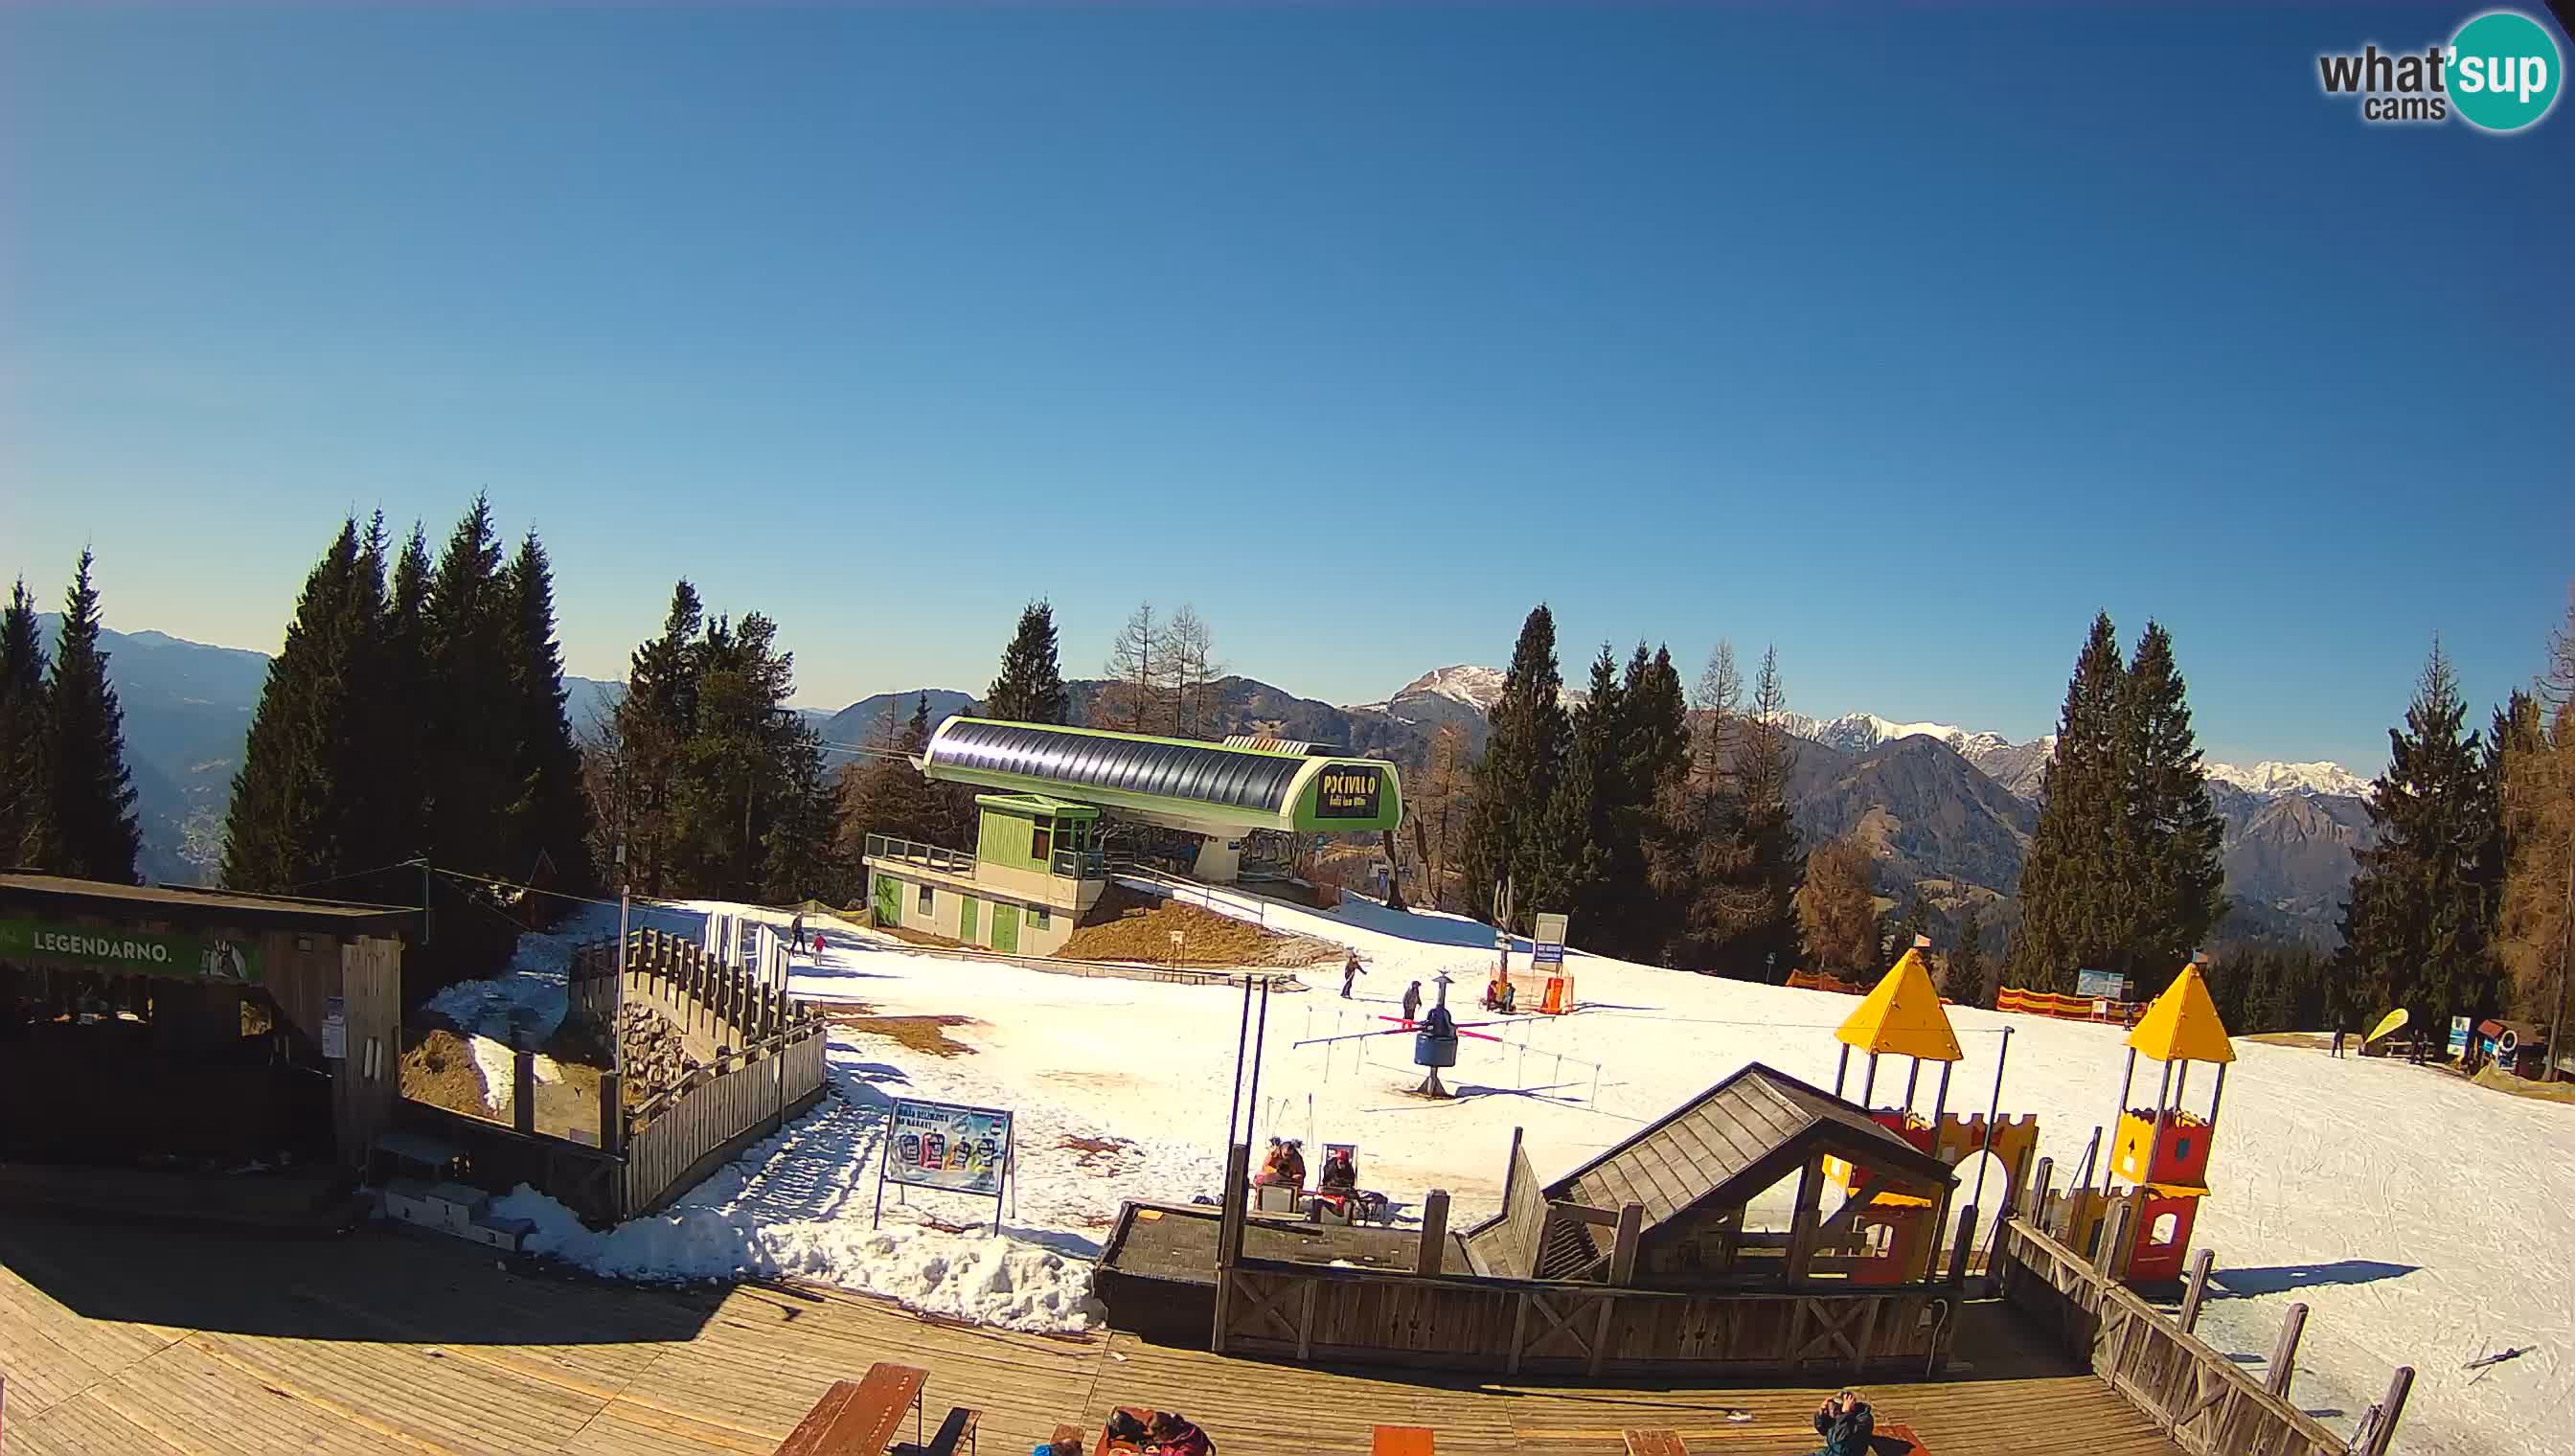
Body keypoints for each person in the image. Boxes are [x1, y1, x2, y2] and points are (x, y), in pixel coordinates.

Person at [1806, 1390, 1874, 1456]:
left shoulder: (1863, 1419)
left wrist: (1845, 1412)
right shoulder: (1840, 1417)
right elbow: (1823, 1429)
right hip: (1831, 1452)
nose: (1833, 1412)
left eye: (1837, 1409)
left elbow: (1840, 1438)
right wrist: (1821, 1414)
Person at [1143, 1411, 1213, 1456]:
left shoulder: (1190, 1444)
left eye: (1155, 1435)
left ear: (1164, 1430)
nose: (1154, 1439)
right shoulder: (1172, 1435)